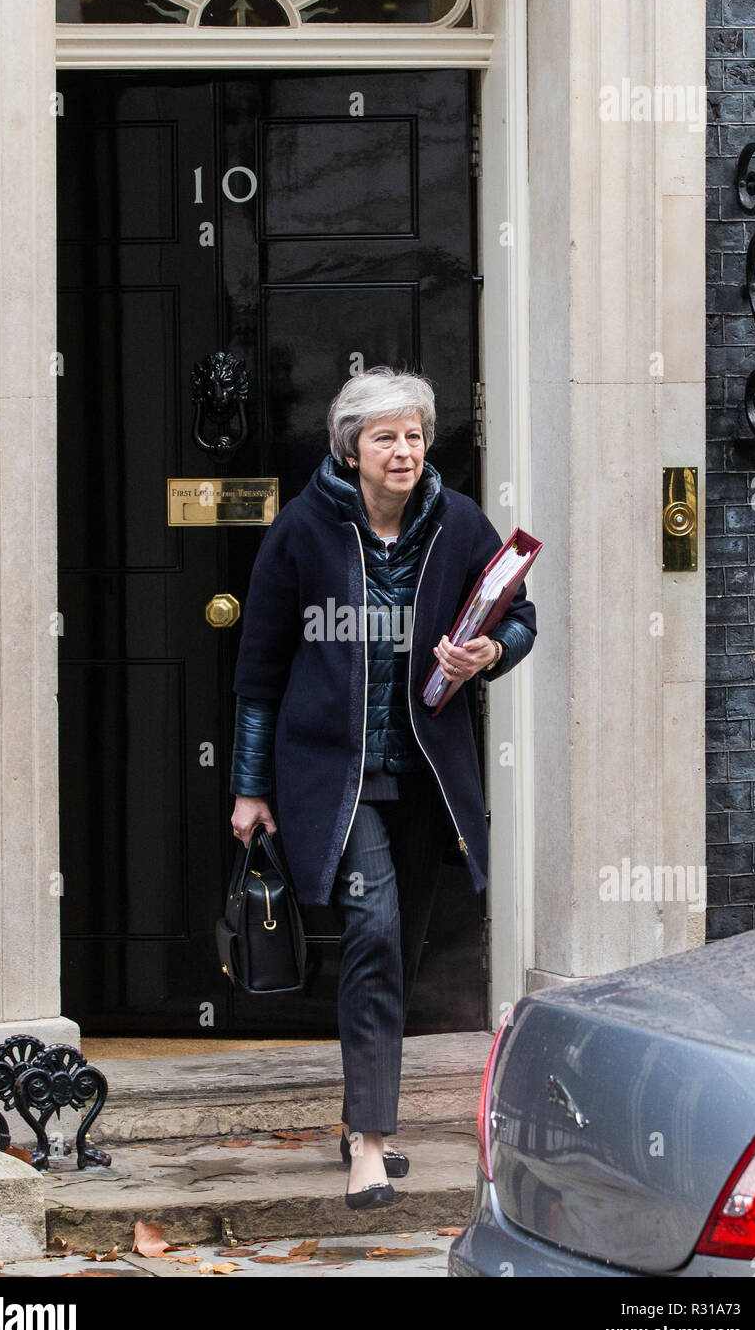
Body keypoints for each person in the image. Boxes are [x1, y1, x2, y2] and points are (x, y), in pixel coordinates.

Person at [229, 366, 537, 1209]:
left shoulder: (461, 523)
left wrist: (491, 653)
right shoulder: (301, 532)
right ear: (352, 449)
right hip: (337, 779)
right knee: (372, 932)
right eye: (384, 438)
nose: (402, 452)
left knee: (395, 953)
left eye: (413, 435)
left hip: (427, 777)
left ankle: (360, 1110)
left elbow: (519, 616)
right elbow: (258, 672)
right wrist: (249, 787)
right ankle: (371, 1143)